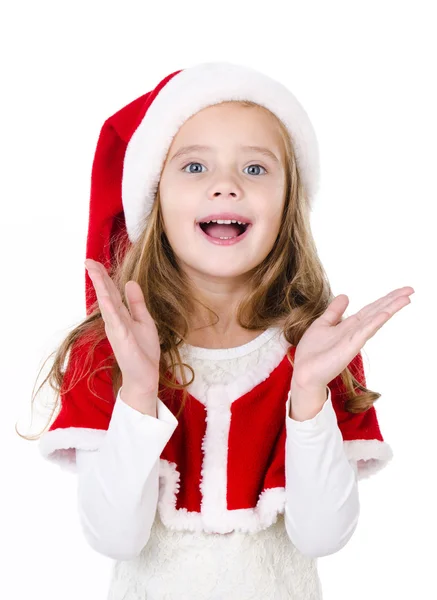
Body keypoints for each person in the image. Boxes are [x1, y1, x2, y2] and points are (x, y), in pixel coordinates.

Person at [26, 61, 413, 599]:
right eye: (194, 167)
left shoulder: (316, 348)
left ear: (288, 202)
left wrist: (308, 396)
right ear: (154, 197)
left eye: (255, 169)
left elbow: (323, 536)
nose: (226, 186)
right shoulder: (108, 351)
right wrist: (138, 391)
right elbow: (115, 537)